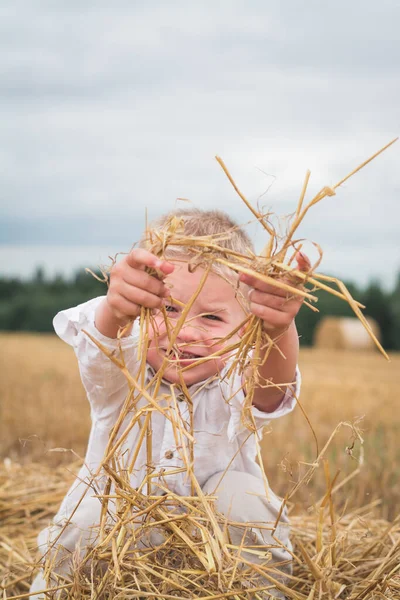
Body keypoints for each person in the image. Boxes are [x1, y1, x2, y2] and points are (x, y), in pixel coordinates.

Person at [30, 208, 307, 598]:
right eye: (169, 309)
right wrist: (118, 307)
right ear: (143, 309)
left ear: (246, 328)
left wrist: (279, 327)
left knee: (245, 499)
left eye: (211, 317)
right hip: (117, 552)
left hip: (213, 560)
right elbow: (106, 338)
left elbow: (270, 387)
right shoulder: (122, 372)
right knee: (90, 515)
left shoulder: (234, 381)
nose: (185, 331)